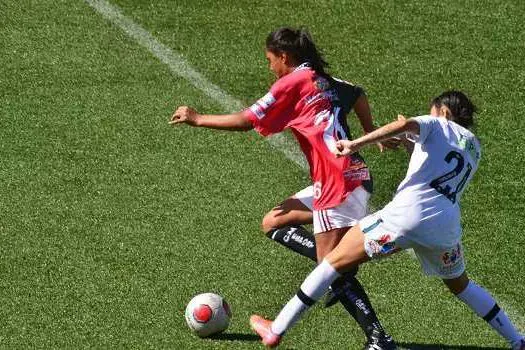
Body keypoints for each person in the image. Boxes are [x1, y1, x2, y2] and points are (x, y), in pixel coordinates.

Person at [170, 27, 396, 349]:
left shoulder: (291, 82)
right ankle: (339, 268)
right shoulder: (322, 80)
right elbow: (357, 93)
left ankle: (378, 338)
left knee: (329, 270)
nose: (269, 67)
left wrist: (198, 118)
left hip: (337, 184)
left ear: (285, 57)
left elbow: (247, 120)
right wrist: (372, 131)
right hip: (346, 177)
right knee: (273, 222)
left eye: (270, 60)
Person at [250, 90, 525, 349]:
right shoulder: (474, 148)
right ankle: (517, 340)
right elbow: (431, 166)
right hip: (445, 227)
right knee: (461, 286)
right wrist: (408, 142)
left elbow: (406, 127)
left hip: (406, 216)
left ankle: (276, 329)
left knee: (331, 261)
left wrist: (356, 143)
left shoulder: (436, 122)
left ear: (442, 110)